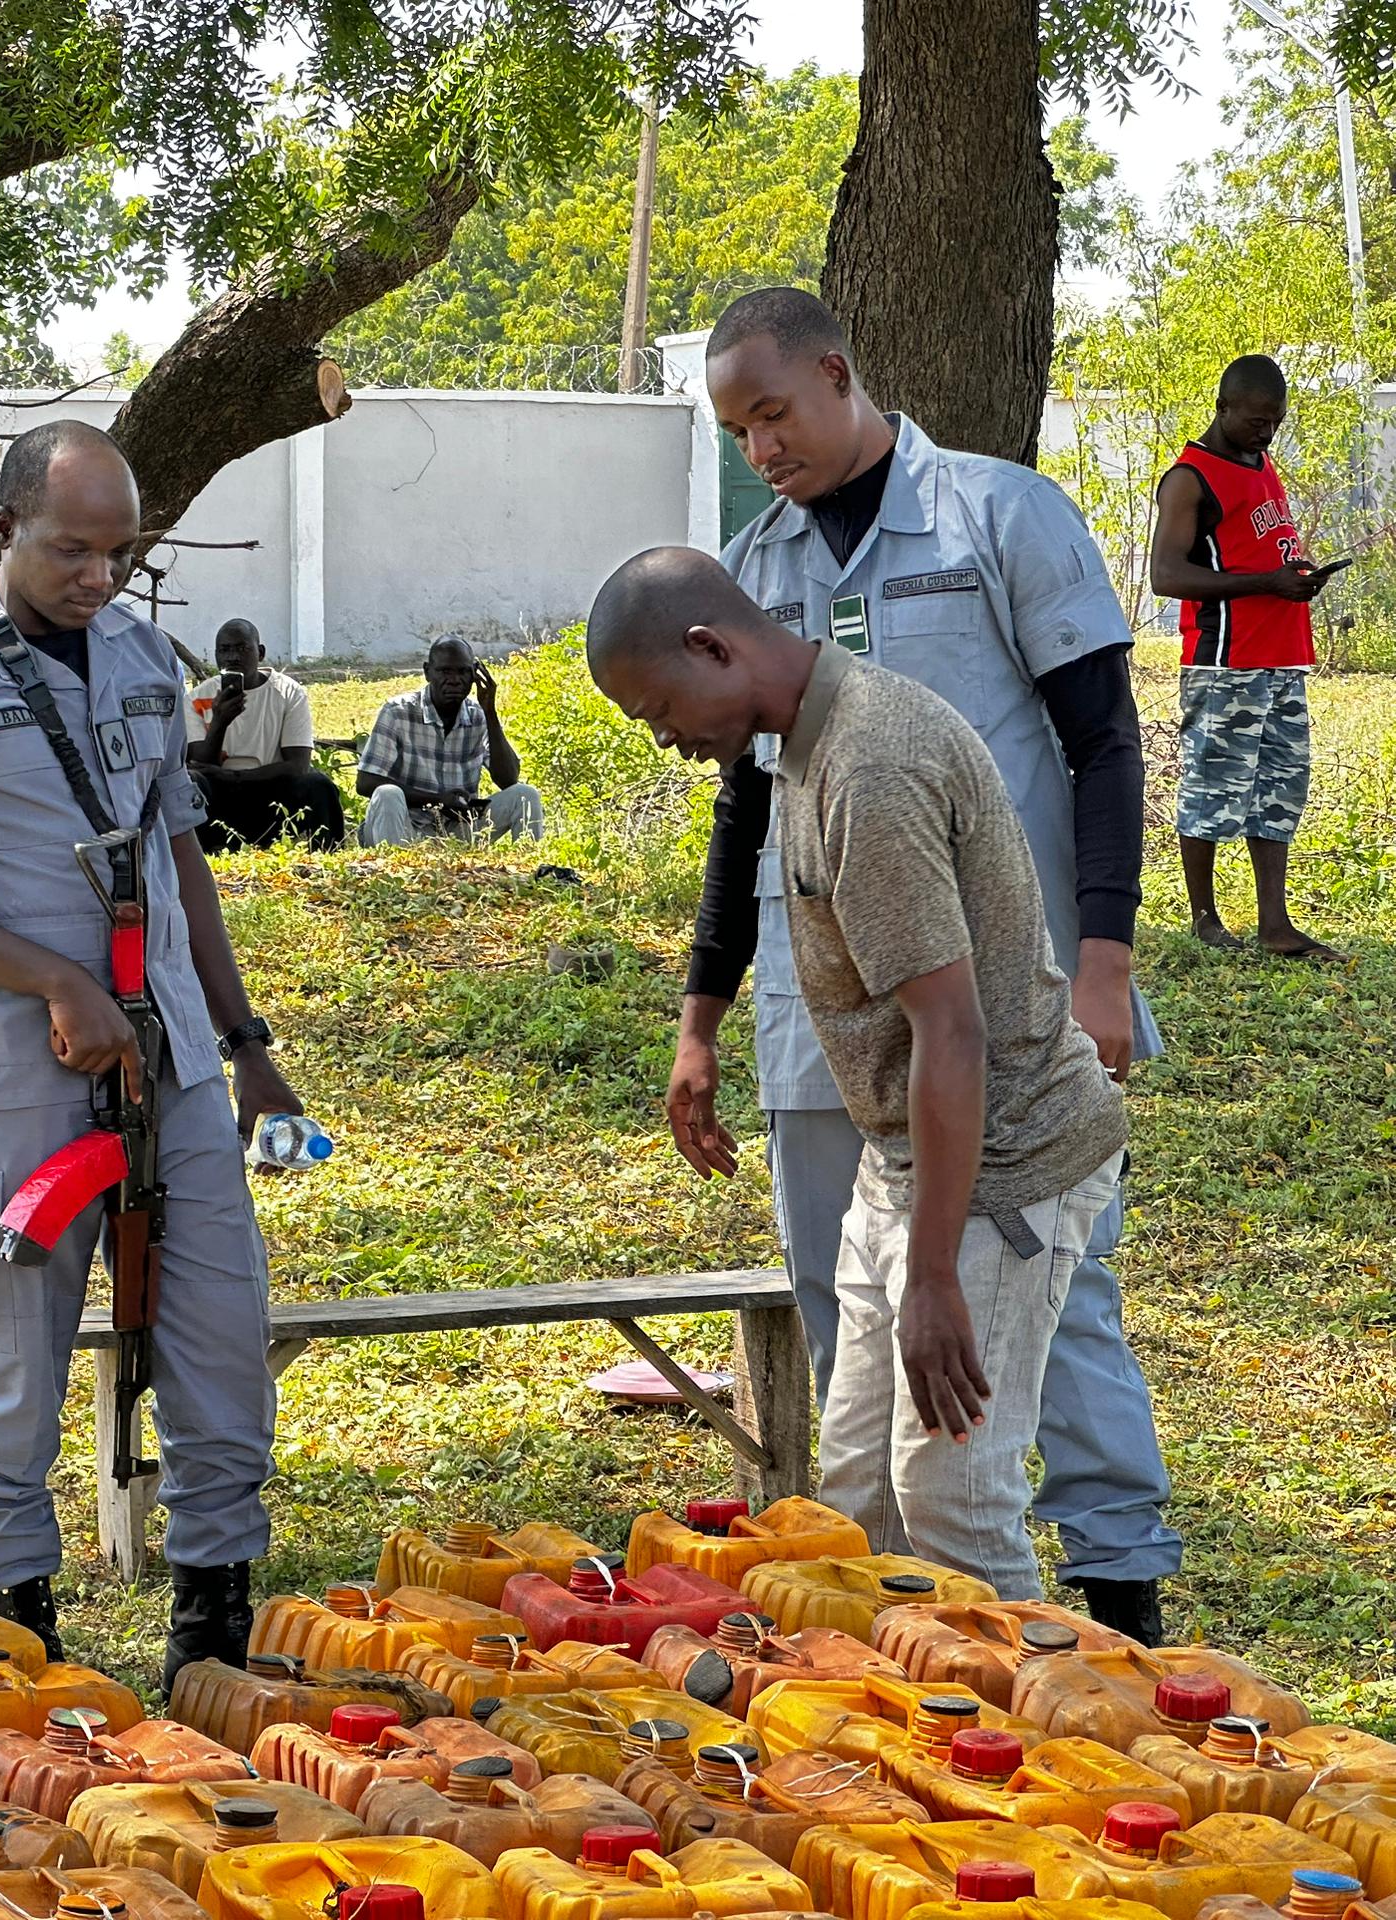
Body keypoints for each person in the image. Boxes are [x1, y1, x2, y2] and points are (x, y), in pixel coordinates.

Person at [670, 287, 1179, 1640]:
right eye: (737, 427)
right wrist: (702, 1011)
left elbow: (1103, 741)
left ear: (837, 371)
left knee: (1040, 1308)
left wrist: (1106, 961)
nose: (761, 446)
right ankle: (901, 1643)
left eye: (774, 412)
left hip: (1004, 1007)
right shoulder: (750, 566)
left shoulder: (999, 515)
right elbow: (739, 800)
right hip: (824, 1012)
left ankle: (1122, 1601)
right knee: (868, 1330)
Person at [0, 417, 301, 1688]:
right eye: (70, 549)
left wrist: (243, 1038)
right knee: (11, 1351)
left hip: (175, 1069)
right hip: (18, 1081)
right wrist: (47, 977)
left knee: (218, 1331)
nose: (98, 575)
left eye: (118, 550)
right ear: (5, 529)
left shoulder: (149, 662)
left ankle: (211, 1631)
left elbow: (179, 862)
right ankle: (21, 1639)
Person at [591, 548, 1129, 1597]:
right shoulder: (798, 742)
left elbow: (953, 1034)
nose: (663, 737)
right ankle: (891, 1741)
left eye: (659, 706)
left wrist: (930, 1275)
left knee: (953, 1504)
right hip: (904, 1162)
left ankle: (1029, 1741)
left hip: (1002, 1168)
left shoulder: (869, 766)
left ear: (713, 648)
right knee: (856, 1509)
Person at [1148, 354, 1343, 961]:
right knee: (1212, 784)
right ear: (1223, 407)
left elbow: (1255, 549)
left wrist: (1295, 577)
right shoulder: (1190, 478)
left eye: (1276, 421)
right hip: (1226, 661)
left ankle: (1274, 923)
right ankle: (1205, 917)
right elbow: (1165, 575)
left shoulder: (1260, 463)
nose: (1267, 431)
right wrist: (1266, 582)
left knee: (1278, 790)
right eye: (1257, 420)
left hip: (1282, 656)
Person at [356, 638, 545, 847]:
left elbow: (508, 779)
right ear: (428, 672)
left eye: (463, 672)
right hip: (407, 827)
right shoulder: (398, 712)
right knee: (387, 794)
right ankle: (393, 872)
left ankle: (535, 872)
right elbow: (366, 782)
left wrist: (490, 711)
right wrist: (438, 800)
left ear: (474, 674)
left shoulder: (478, 715)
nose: (455, 680)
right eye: (445, 671)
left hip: (458, 831)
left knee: (526, 795)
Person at [185, 620, 345, 850]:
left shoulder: (288, 692)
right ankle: (201, 854)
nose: (232, 657)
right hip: (220, 795)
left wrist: (234, 776)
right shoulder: (197, 698)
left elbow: (298, 765)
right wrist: (219, 721)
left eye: (242, 648)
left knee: (318, 784)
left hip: (271, 790)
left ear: (260, 653)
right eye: (225, 650)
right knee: (193, 784)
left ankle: (328, 854)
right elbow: (200, 765)